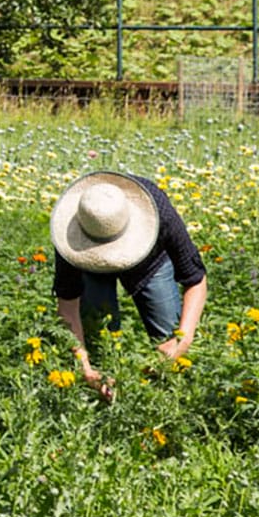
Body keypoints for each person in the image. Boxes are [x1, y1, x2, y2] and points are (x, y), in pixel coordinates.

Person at [49, 170, 208, 400]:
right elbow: (68, 303)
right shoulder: (70, 235)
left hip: (150, 263)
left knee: (171, 338)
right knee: (97, 338)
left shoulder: (160, 212)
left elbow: (196, 279)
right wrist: (85, 367)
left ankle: (175, 399)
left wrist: (184, 339)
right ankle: (102, 397)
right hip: (89, 265)